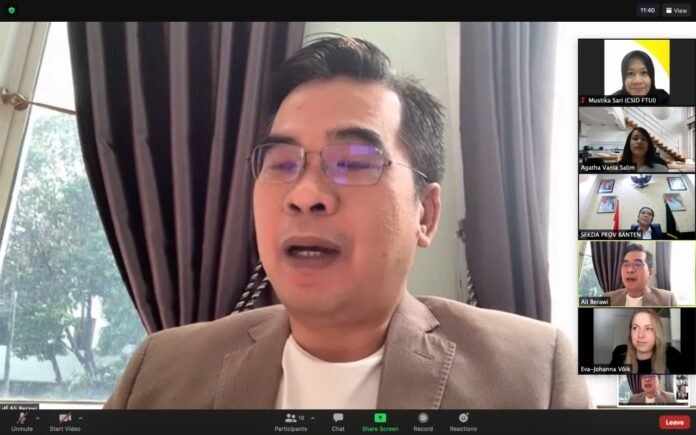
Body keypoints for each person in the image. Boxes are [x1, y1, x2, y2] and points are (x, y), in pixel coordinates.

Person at [102, 35, 591, 409]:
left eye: (355, 162)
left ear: (425, 213)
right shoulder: (159, 371)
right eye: (280, 162)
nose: (305, 195)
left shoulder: (532, 376)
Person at [610, 309, 684, 374]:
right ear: (630, 332)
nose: (640, 335)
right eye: (635, 328)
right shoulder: (618, 362)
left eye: (648, 328)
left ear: (657, 332)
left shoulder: (673, 357)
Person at [603, 244, 677, 306]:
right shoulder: (607, 298)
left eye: (638, 264)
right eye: (626, 264)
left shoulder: (667, 300)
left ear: (650, 272)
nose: (630, 270)